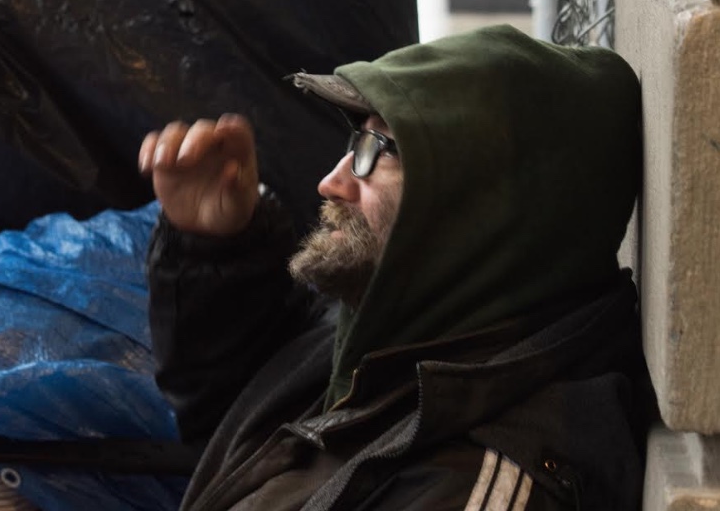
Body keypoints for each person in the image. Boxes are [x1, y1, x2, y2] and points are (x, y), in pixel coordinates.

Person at [140, 25, 656, 510]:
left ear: (475, 208)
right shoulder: (404, 337)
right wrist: (216, 247)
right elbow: (235, 420)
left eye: (376, 150)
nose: (331, 181)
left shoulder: (469, 487)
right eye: (353, 143)